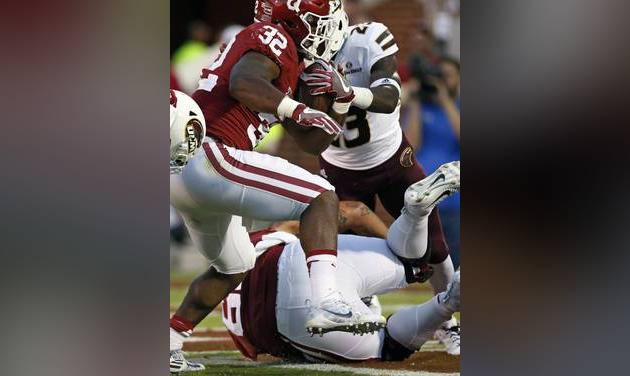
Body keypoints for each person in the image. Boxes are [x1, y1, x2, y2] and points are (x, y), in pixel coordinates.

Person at [169, 1, 382, 372]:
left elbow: (313, 142)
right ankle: (327, 301)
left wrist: (342, 102)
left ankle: (168, 342)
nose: (330, 28)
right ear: (298, 21)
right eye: (321, 21)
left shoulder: (293, 62)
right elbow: (244, 83)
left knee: (234, 264)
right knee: (320, 196)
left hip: (191, 177)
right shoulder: (273, 37)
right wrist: (297, 109)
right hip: (212, 153)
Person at [302, 12, 460, 353]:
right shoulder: (296, 53)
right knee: (342, 252)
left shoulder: (367, 39)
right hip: (338, 166)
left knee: (434, 246)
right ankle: (362, 308)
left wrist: (346, 92)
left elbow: (389, 99)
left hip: (390, 158)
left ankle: (448, 322)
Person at [220, 161, 460, 363]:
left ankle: (450, 301)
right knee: (413, 261)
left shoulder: (231, 298)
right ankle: (414, 214)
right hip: (299, 255)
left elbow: (269, 352)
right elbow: (356, 211)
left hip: (286, 312)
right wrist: (399, 253)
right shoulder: (260, 240)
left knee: (387, 346)